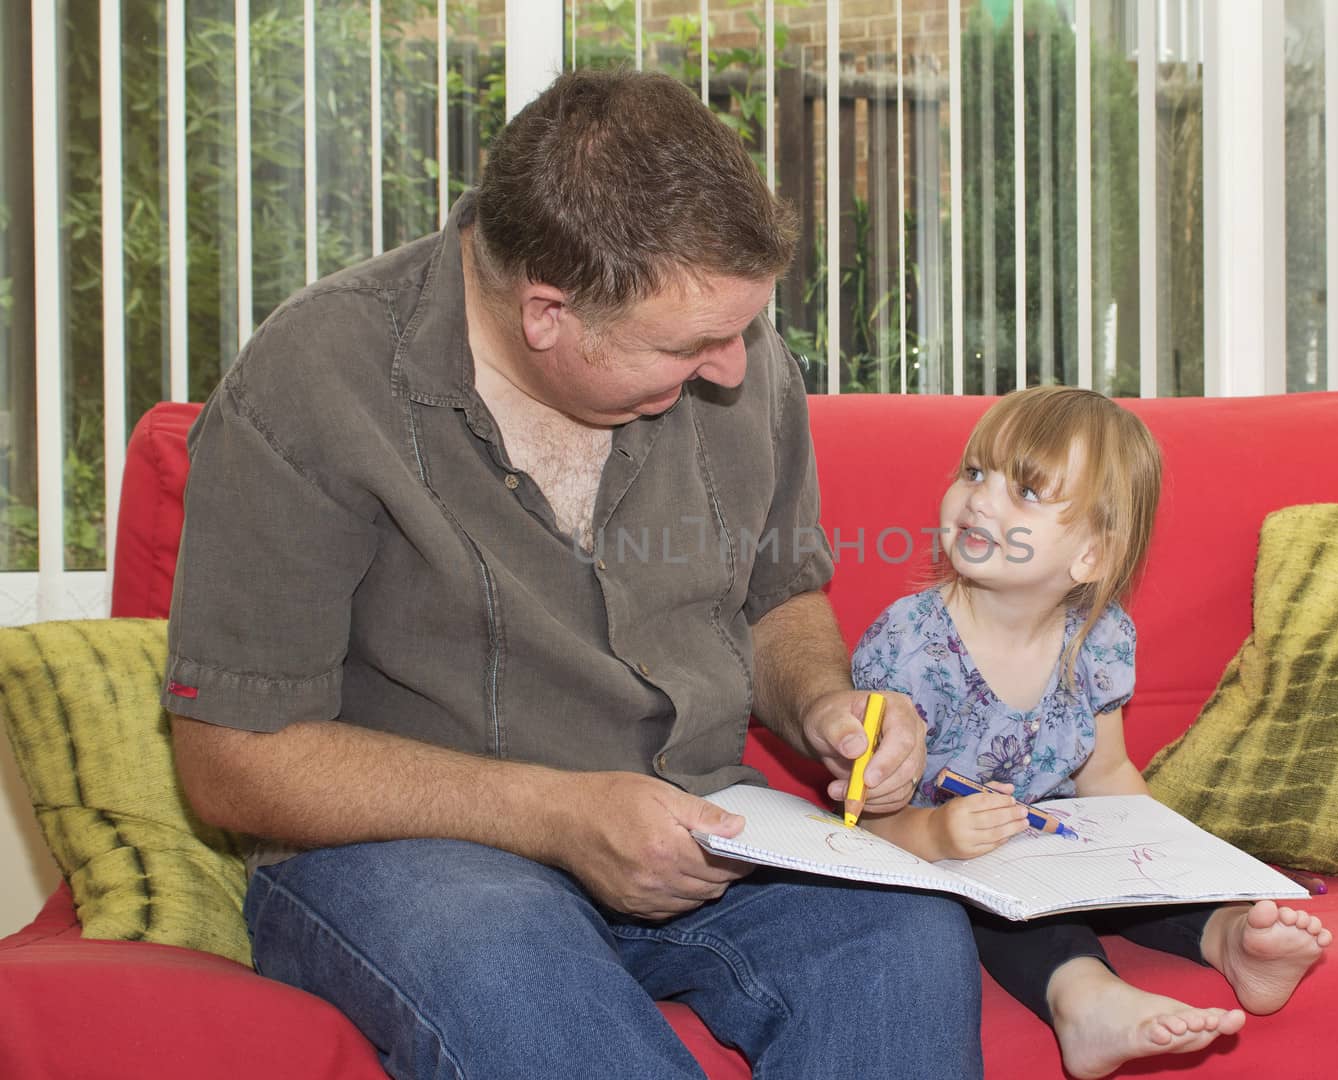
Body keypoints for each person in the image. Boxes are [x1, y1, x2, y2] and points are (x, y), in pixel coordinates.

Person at [162, 69, 981, 1079]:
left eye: (740, 331)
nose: (732, 367)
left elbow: (776, 599)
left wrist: (823, 701)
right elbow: (230, 758)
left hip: (704, 822)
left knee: (901, 937)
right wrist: (557, 814)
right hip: (417, 854)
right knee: (517, 973)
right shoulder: (312, 381)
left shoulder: (734, 353)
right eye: (689, 344)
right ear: (544, 311)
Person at [850, 385, 1332, 1080]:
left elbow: (1106, 775)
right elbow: (859, 822)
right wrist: (938, 835)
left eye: (1027, 492)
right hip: (938, 862)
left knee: (1125, 869)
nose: (981, 500)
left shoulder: (1099, 639)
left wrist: (1170, 854)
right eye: (975, 472)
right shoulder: (909, 647)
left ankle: (1229, 939)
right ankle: (1085, 1000)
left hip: (1052, 842)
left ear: (1091, 559)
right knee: (997, 899)